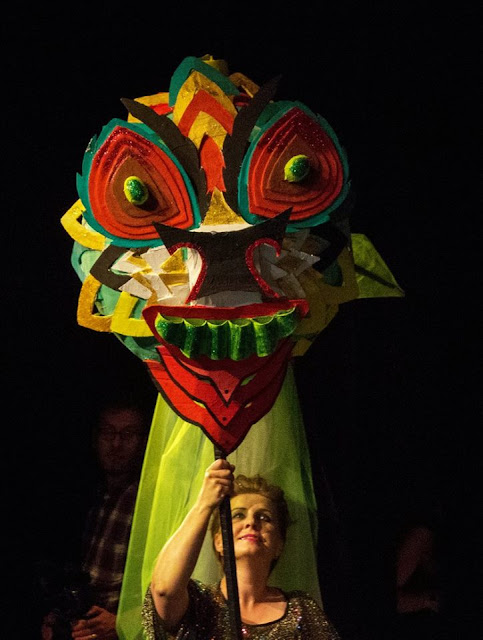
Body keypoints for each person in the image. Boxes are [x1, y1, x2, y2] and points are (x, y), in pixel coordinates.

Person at [142, 458, 341, 639]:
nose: (251, 523)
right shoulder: (200, 603)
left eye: (264, 517)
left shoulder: (302, 609)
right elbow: (164, 590)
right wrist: (205, 503)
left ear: (279, 545)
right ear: (218, 541)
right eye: (238, 515)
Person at [40, 394, 150, 640]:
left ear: (144, 442)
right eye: (108, 433)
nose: (116, 444)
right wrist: (60, 615)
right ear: (95, 438)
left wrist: (124, 623)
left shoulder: (150, 499)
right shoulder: (94, 494)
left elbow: (179, 583)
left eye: (128, 434)